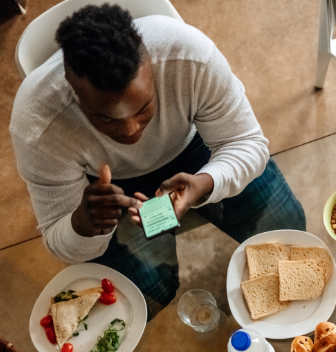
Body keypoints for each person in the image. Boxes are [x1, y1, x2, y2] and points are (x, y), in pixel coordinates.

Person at [10, 4, 305, 318]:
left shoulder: (188, 56)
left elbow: (246, 143)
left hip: (195, 147)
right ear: (72, 89)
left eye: (143, 108)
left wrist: (204, 184)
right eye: (106, 120)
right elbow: (60, 241)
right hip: (105, 187)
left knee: (288, 227)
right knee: (145, 299)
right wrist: (84, 224)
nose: (131, 130)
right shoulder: (37, 125)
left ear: (152, 63)